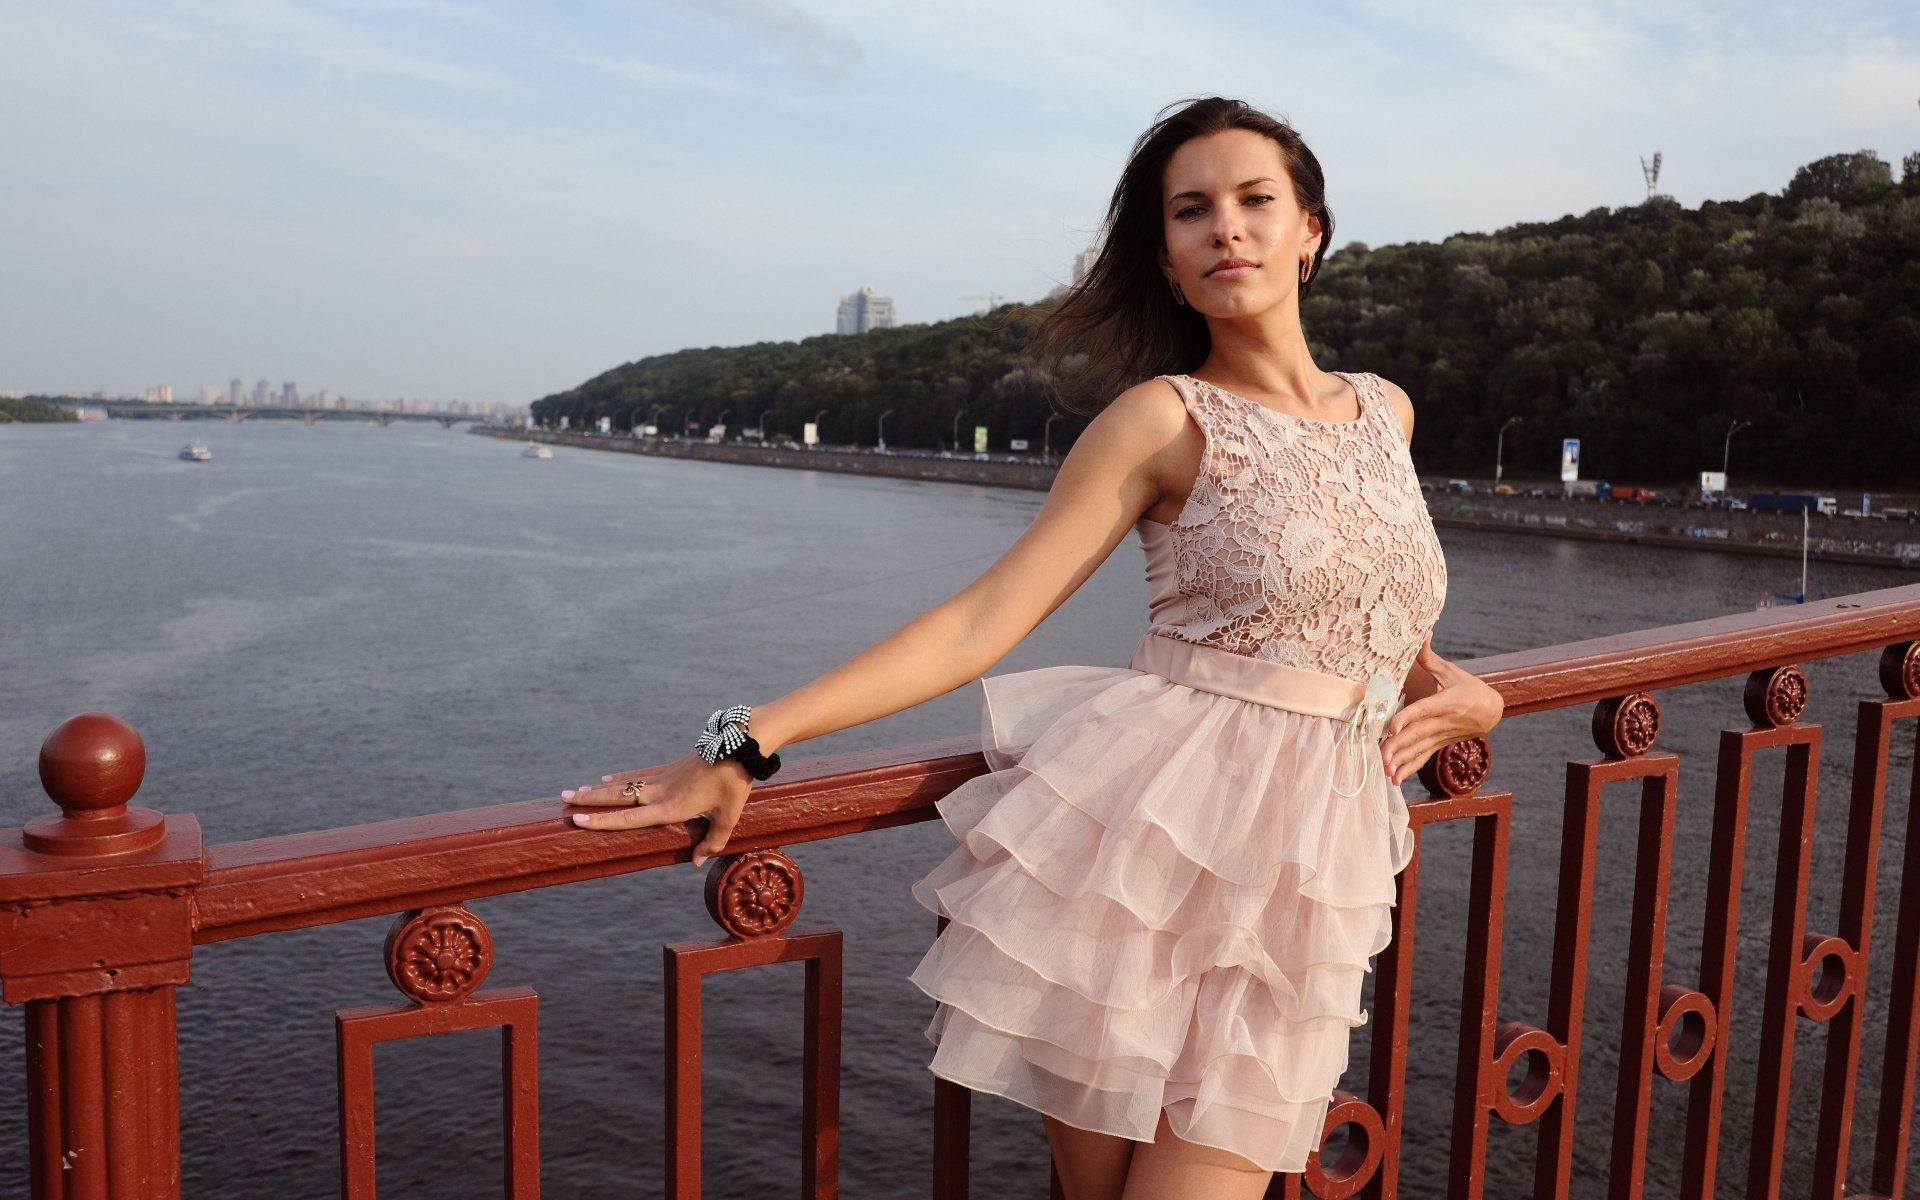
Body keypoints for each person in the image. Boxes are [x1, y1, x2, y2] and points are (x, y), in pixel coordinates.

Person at [566, 96, 1503, 1199]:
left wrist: (1473, 698)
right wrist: (737, 739)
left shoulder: (1383, 411)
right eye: (1192, 212)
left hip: (1309, 870)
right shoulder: (1162, 420)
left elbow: (1382, 617)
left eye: (1256, 201)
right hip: (1142, 867)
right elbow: (978, 623)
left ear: (1311, 230)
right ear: (1166, 258)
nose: (1227, 229)